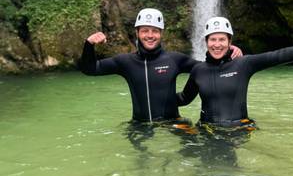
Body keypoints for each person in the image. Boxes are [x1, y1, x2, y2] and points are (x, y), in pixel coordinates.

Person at [177, 16, 293, 130]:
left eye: (222, 39)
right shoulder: (199, 70)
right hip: (207, 130)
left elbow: (279, 56)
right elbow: (184, 98)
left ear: (230, 42)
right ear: (206, 42)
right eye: (213, 39)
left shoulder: (243, 64)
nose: (217, 44)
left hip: (237, 131)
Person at [79, 8, 242, 123]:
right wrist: (89, 44)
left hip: (174, 123)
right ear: (137, 33)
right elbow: (90, 69)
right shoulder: (125, 62)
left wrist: (227, 51)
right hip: (140, 126)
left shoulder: (175, 60)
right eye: (145, 30)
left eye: (155, 31)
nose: (150, 35)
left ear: (161, 33)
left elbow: (209, 69)